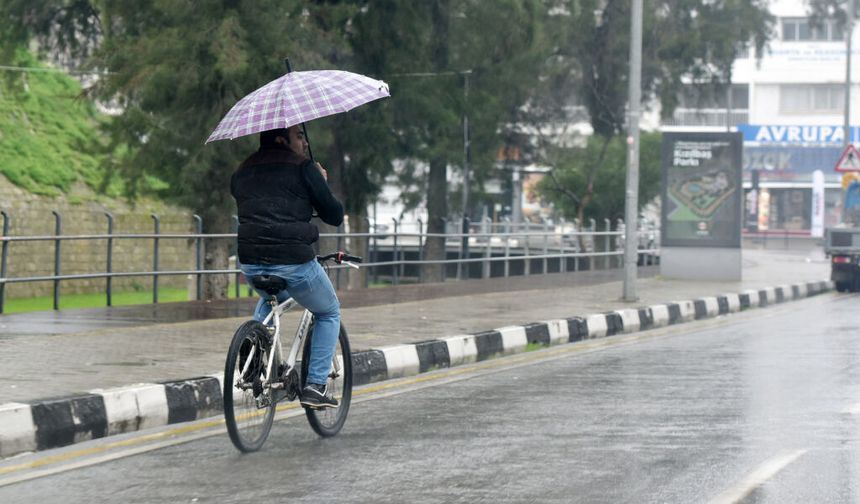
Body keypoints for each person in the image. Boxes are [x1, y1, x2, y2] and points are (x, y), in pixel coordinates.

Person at [230, 125, 344, 408]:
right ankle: (316, 386)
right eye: (300, 136)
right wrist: (319, 182)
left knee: (272, 299)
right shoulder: (303, 168)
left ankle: (255, 357)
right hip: (294, 261)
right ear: (281, 139)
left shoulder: (241, 172)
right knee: (329, 311)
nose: (304, 143)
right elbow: (334, 215)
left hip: (251, 263)